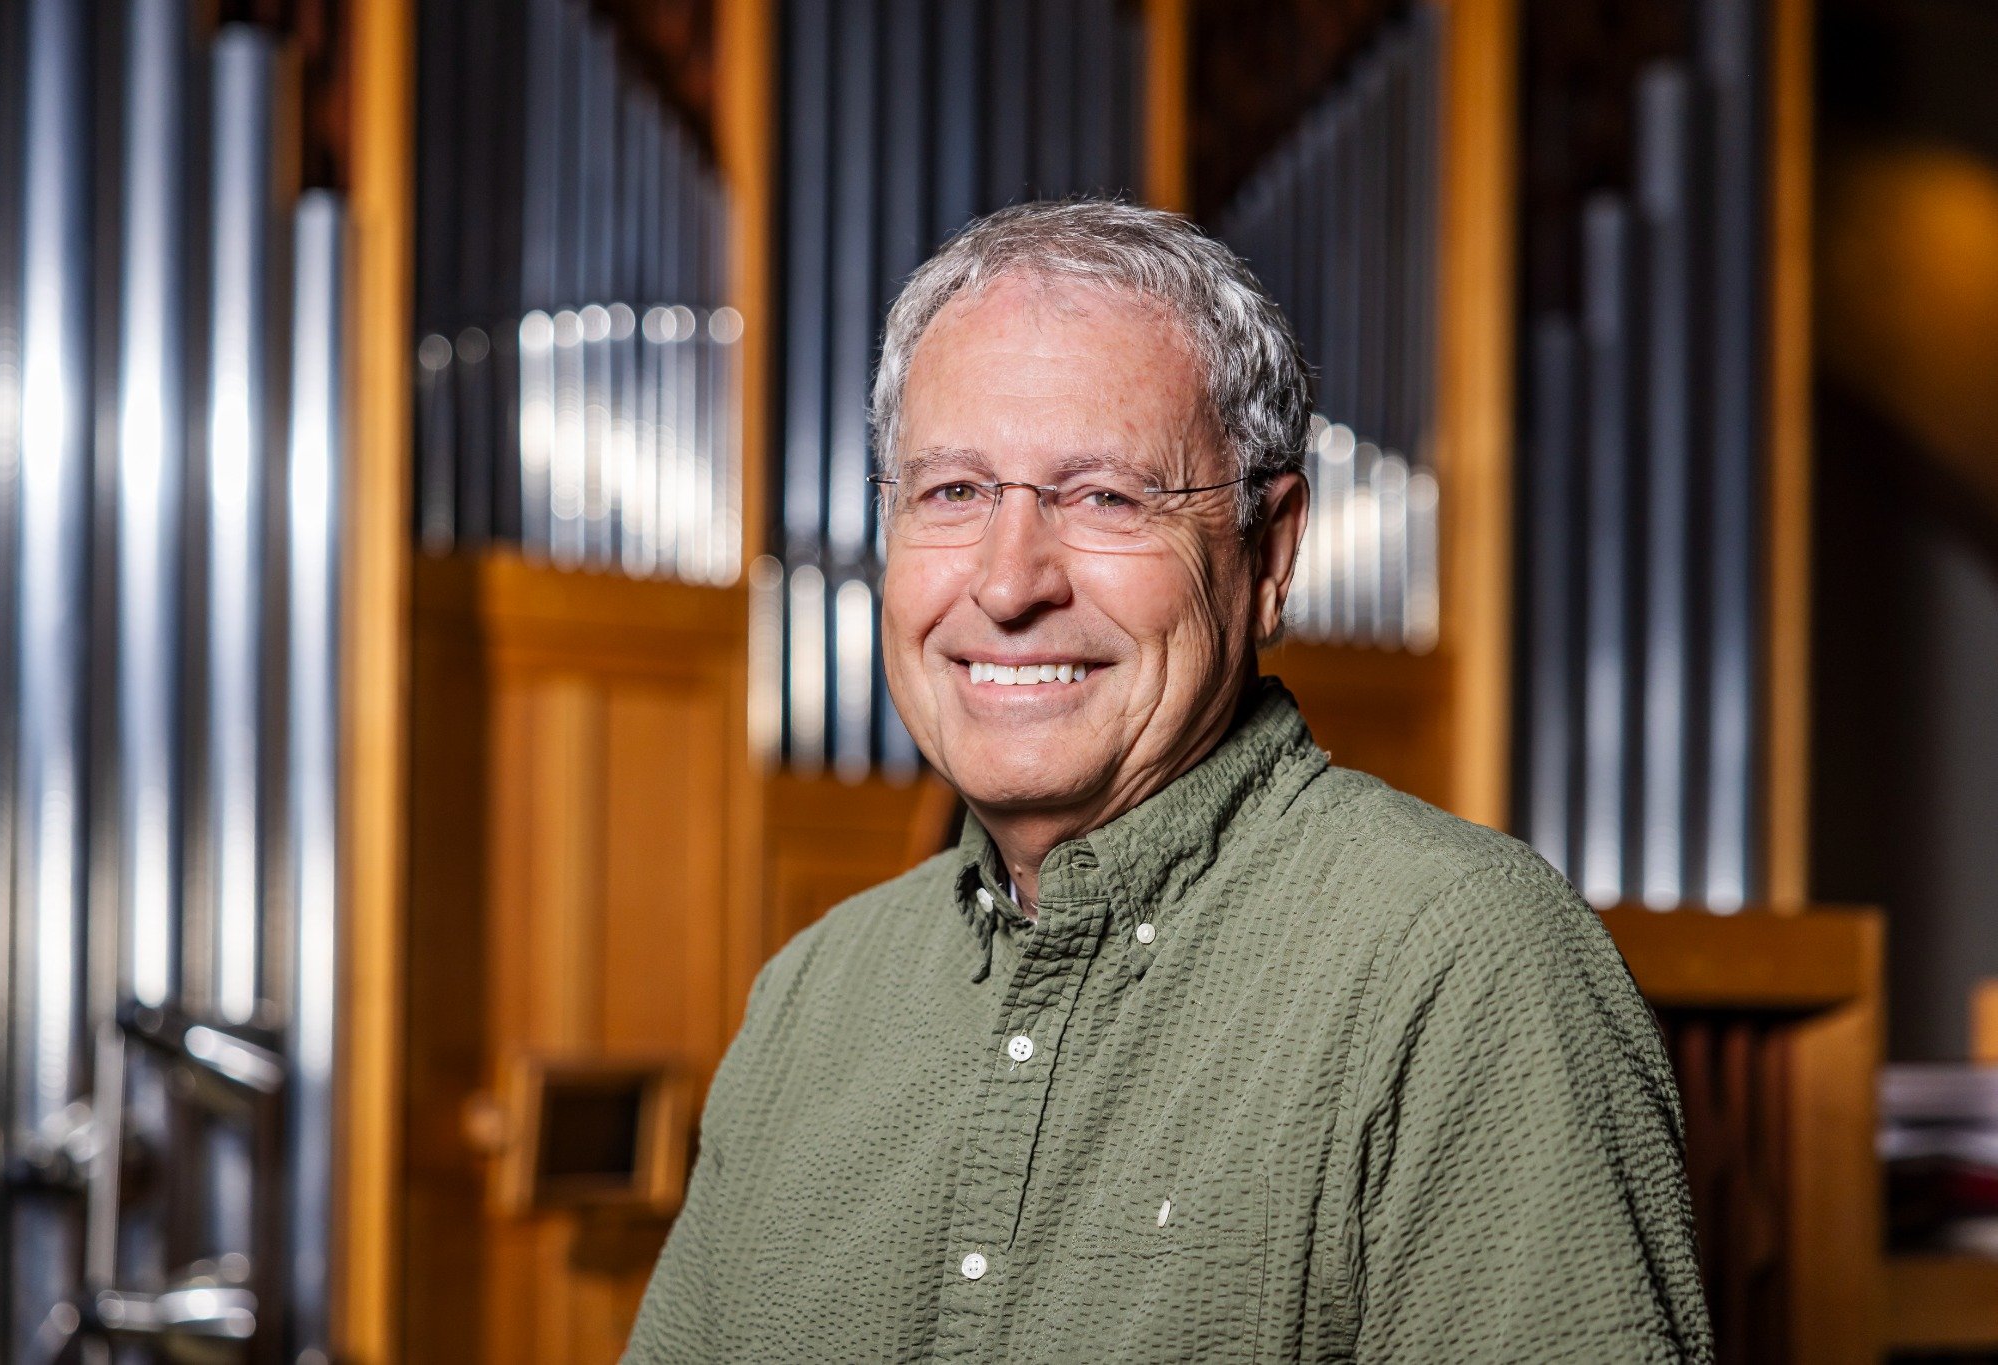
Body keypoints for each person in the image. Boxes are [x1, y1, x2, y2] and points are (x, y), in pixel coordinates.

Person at [623, 200, 1710, 1363]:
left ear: (1270, 552)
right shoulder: (811, 993)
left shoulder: (1463, 967)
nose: (1007, 584)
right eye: (953, 493)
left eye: (1107, 496)